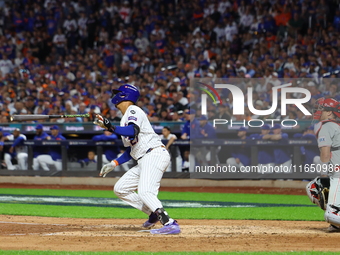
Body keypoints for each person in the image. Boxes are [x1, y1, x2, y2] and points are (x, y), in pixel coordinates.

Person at [93, 83, 180, 235]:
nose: (115, 96)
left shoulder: (133, 110)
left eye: (118, 93)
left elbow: (133, 131)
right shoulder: (123, 119)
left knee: (145, 191)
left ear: (125, 95)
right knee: (121, 188)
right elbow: (131, 149)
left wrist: (110, 127)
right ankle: (153, 214)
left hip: (154, 154)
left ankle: (169, 223)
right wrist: (114, 163)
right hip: (144, 158)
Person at [306, 97, 340, 232]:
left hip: (338, 174)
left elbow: (325, 153)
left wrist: (324, 174)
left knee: (331, 215)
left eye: (321, 109)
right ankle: (336, 218)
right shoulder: (335, 125)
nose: (317, 112)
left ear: (330, 112)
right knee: (313, 187)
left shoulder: (326, 126)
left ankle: (335, 213)